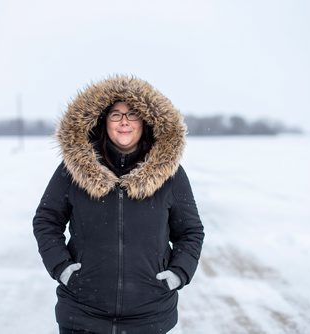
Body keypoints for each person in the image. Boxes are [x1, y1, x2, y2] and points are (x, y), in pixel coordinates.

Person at [32, 75, 204, 334]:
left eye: (132, 113)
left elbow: (191, 232)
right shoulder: (73, 170)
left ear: (145, 122)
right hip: (82, 314)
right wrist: (62, 268)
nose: (124, 121)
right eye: (115, 114)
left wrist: (178, 273)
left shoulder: (170, 174)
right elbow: (46, 220)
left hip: (150, 317)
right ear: (104, 122)